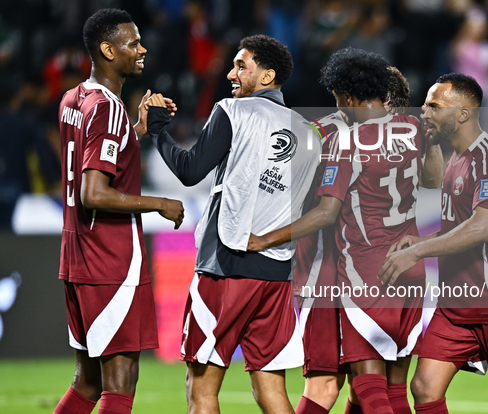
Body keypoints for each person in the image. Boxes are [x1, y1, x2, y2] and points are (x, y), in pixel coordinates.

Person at [248, 48, 443, 414]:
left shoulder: (329, 135)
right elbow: (433, 180)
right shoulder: (411, 129)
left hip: (349, 269)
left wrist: (263, 237)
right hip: (375, 267)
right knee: (360, 384)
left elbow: (320, 208)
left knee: (346, 384)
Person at [146, 35, 321, 414]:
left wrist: (158, 131)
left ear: (268, 75)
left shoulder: (234, 111)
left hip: (225, 265)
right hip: (277, 274)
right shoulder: (309, 132)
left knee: (202, 389)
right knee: (272, 392)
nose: (231, 73)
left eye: (242, 65)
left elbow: (191, 171)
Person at [379, 73, 488, 414]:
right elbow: (456, 230)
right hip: (458, 301)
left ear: (462, 113)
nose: (424, 113)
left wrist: (417, 251)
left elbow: (481, 228)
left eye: (434, 106)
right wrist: (422, 239)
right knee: (425, 387)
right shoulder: (455, 161)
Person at [54, 9, 184, 414]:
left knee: (88, 382)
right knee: (120, 382)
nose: (142, 49)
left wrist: (136, 129)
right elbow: (94, 191)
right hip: (110, 259)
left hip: (76, 257)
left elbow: (99, 154)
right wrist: (160, 203)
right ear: (108, 50)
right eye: (133, 43)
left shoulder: (74, 99)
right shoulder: (108, 109)